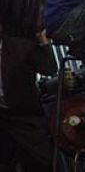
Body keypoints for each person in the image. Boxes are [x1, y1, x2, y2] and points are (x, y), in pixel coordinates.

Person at [0, 19, 57, 172]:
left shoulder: (19, 46)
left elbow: (49, 68)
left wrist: (43, 41)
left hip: (24, 114)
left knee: (41, 160)